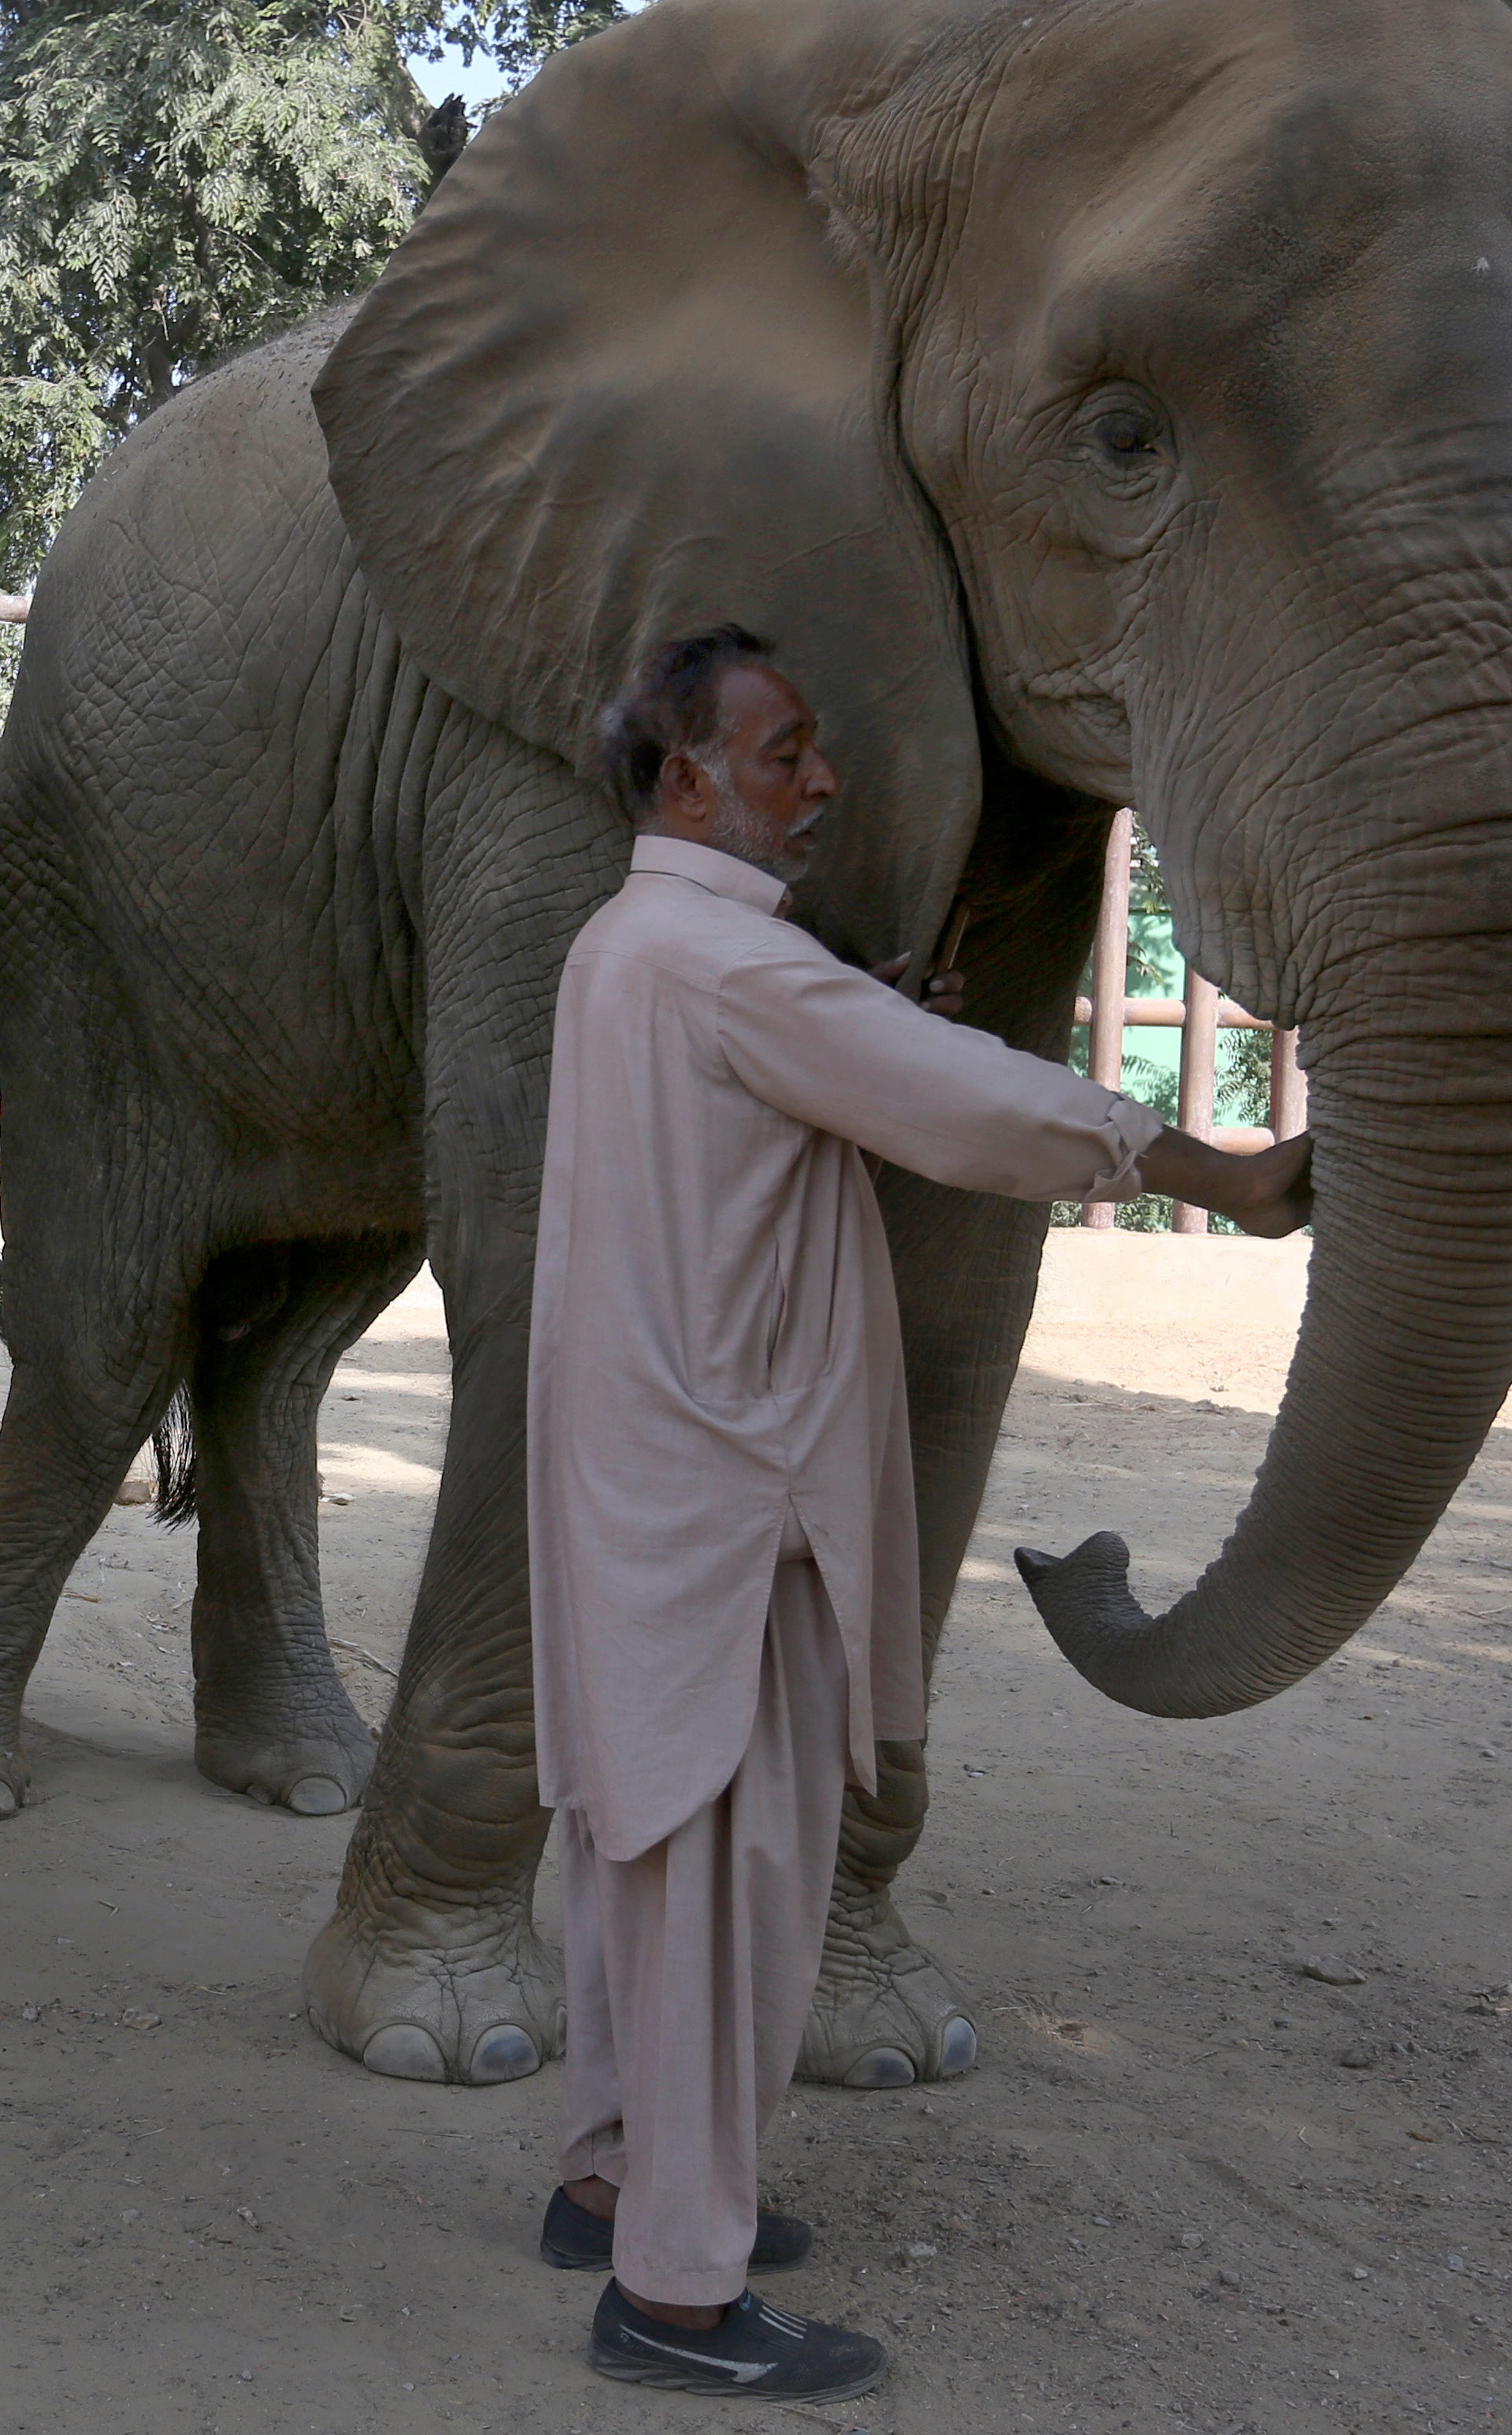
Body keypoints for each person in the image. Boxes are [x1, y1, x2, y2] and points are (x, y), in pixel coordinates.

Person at [530, 624, 1310, 2400]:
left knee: (643, 1855)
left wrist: (859, 1013)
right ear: (686, 775)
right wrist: (1216, 1169)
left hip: (654, 1489)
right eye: (786, 747)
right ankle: (674, 2292)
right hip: (731, 1506)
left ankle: (611, 2175)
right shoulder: (730, 967)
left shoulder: (639, 947)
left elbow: (799, 1089)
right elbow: (975, 1109)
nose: (821, 781)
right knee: (732, 1872)